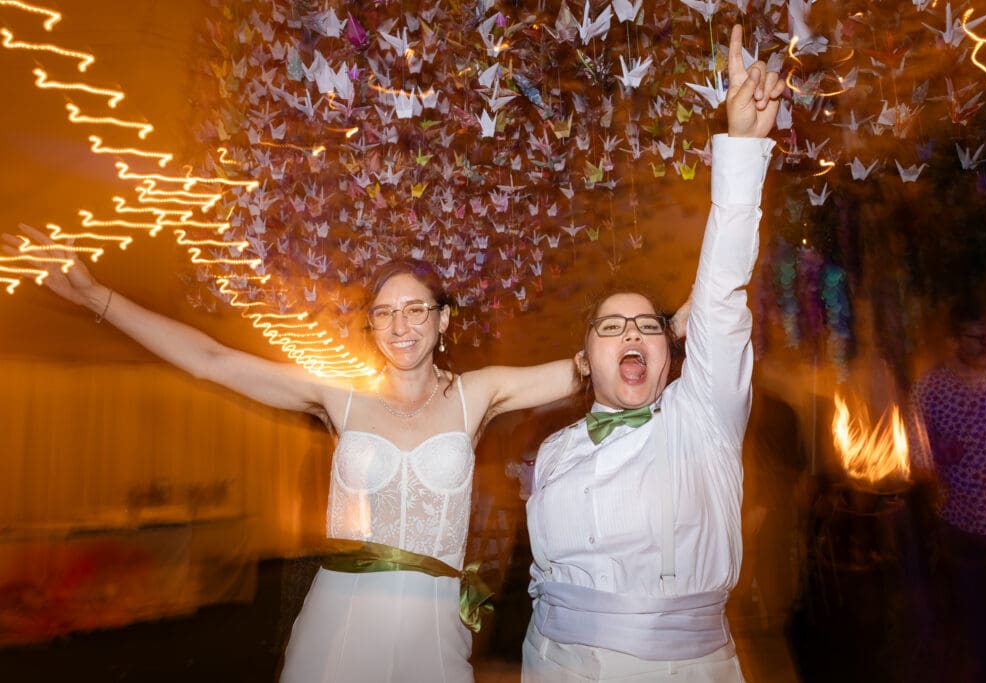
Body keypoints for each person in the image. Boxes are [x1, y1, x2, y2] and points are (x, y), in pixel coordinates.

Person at [0, 231, 578, 682]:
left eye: (416, 309)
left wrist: (660, 330)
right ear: (371, 325)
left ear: (444, 319)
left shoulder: (477, 394)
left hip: (434, 620)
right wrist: (93, 293)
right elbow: (210, 360)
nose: (400, 325)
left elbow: (583, 369)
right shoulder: (339, 399)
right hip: (343, 611)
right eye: (384, 312)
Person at [522, 25, 783, 681]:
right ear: (585, 361)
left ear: (671, 353)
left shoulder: (704, 420)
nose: (632, 334)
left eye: (645, 324)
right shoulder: (553, 453)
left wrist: (744, 144)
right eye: (611, 328)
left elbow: (721, 291)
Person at [909, 298, 986, 683]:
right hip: (963, 521)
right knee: (978, 615)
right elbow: (915, 455)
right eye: (977, 337)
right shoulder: (932, 389)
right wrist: (937, 456)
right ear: (954, 340)